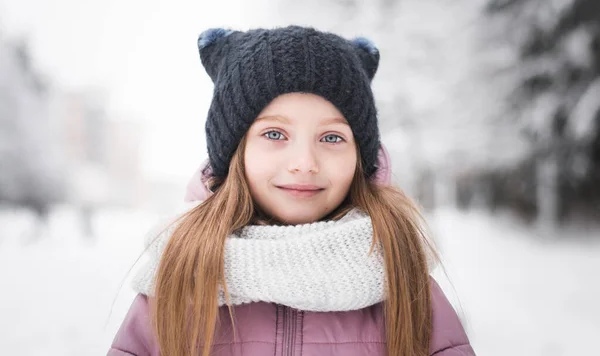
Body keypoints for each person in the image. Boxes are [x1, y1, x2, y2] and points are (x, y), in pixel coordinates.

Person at [107, 26, 475, 356]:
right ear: (235, 150)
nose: (304, 162)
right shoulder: (182, 273)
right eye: (274, 134)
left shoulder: (400, 271)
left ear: (362, 159)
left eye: (331, 137)